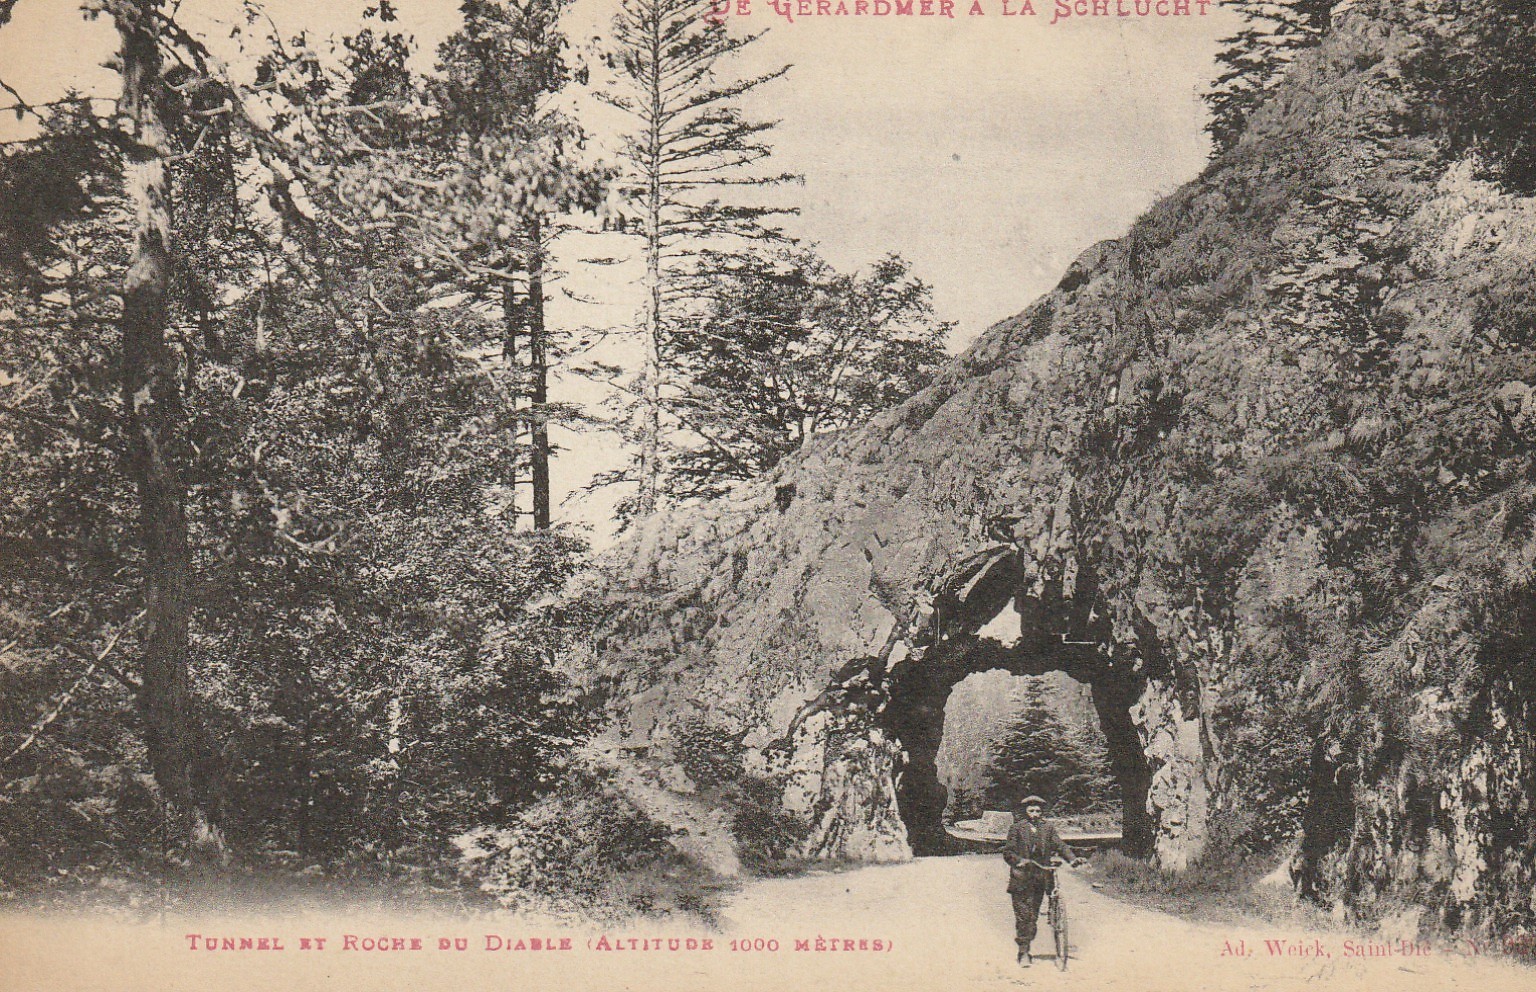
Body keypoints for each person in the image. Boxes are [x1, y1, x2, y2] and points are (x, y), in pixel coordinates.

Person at [1001, 795, 1078, 967]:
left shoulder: (1047, 828)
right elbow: (1008, 852)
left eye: (1038, 811)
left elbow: (1060, 845)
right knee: (1023, 917)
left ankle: (1026, 945)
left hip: (1040, 878)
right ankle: (1023, 953)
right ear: (1025, 811)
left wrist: (1072, 859)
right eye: (1031, 811)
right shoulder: (1016, 829)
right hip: (1021, 879)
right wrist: (1019, 861)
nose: (1035, 814)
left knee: (1033, 916)